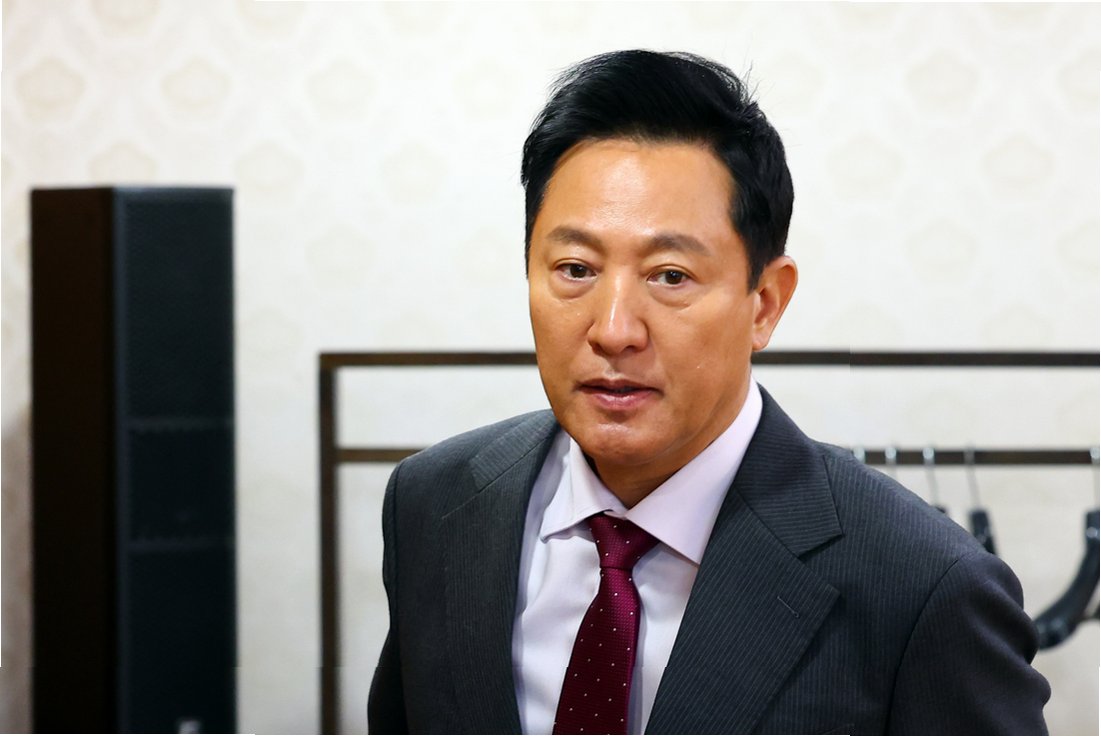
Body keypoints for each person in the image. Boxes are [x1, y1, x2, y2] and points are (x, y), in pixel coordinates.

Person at [367, 49, 1050, 735]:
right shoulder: (434, 504)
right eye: (575, 268)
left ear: (765, 303)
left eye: (670, 276)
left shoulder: (925, 586)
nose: (613, 330)